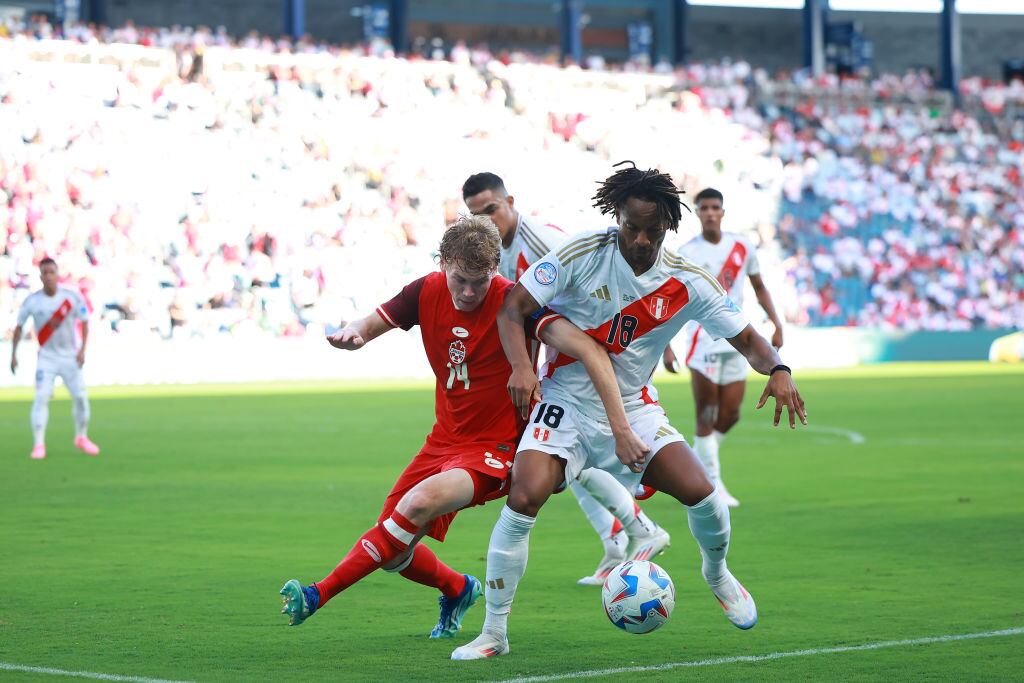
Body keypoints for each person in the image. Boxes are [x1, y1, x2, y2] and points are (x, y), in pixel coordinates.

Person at [452, 162, 806, 660]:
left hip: (635, 407)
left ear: (669, 227)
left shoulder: (689, 281)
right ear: (616, 215)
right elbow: (514, 307)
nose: (640, 239)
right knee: (524, 495)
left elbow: (748, 338)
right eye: (632, 226)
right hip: (565, 402)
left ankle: (718, 573)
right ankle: (493, 633)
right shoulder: (580, 251)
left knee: (704, 495)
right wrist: (522, 369)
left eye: (652, 230)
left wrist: (779, 368)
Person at [279, 215, 638, 638]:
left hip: (498, 446)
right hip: (443, 439)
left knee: (414, 507)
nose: (468, 292)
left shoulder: (514, 302)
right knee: (392, 550)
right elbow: (373, 322)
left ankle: (316, 594)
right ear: (443, 262)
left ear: (494, 271)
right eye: (459, 280)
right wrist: (354, 333)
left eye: (479, 282)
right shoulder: (425, 290)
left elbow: (580, 345)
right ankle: (458, 587)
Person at [463, 171, 670, 586]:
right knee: (563, 459)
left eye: (491, 210)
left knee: (565, 455)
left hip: (582, 364)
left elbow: (599, 289)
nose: (485, 221)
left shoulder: (543, 240)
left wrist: (649, 336)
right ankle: (619, 539)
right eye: (475, 215)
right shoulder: (495, 249)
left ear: (510, 201)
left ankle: (639, 528)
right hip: (553, 361)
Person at [663, 188, 784, 507]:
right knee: (706, 413)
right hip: (701, 341)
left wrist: (776, 322)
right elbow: (670, 300)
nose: (710, 213)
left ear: (723, 211)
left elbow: (759, 287)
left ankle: (698, 456)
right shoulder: (686, 252)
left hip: (736, 339)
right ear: (698, 212)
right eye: (704, 208)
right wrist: (666, 346)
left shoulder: (742, 246)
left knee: (730, 414)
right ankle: (713, 485)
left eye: (715, 207)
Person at [11, 258, 100, 459]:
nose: (49, 276)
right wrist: (13, 355)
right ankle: (39, 444)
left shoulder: (71, 297)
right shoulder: (33, 301)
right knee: (41, 398)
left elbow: (85, 322)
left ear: (57, 274)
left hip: (70, 357)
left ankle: (81, 437)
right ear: (40, 276)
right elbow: (19, 327)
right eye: (45, 272)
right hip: (47, 358)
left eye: (52, 272)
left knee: (80, 398)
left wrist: (82, 350)